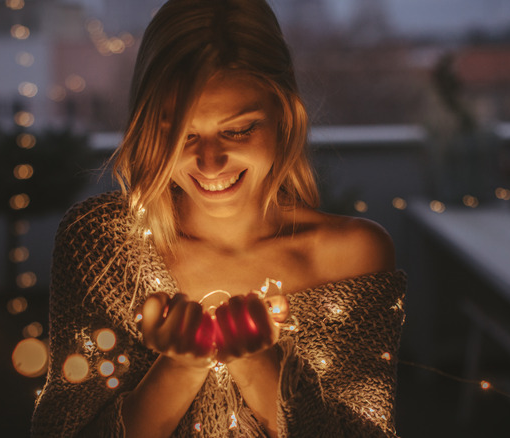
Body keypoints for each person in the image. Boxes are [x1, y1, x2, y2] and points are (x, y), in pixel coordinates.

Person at [31, 0, 406, 436]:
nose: (209, 162)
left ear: (284, 115)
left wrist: (259, 365)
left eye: (238, 130)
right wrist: (179, 368)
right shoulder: (104, 248)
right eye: (182, 134)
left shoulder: (351, 256)